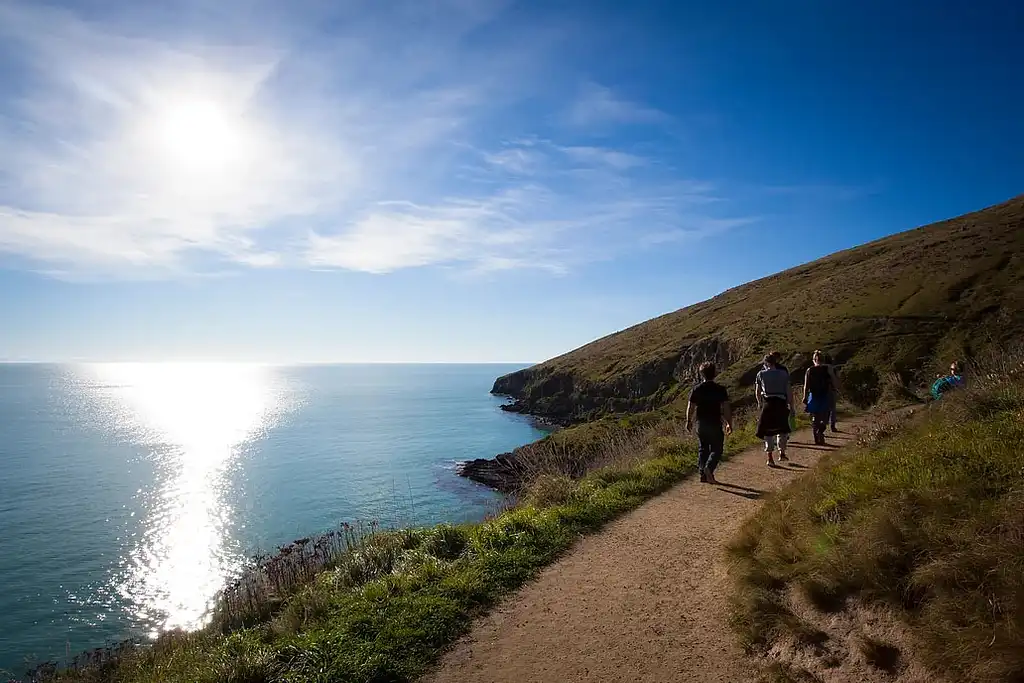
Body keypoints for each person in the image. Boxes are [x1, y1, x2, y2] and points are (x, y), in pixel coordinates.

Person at [686, 361, 733, 484]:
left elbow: (690, 407)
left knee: (703, 448)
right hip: (715, 422)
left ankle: (703, 474)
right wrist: (729, 423)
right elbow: (726, 408)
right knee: (717, 449)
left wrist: (688, 421)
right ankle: (709, 468)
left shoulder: (696, 389)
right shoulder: (720, 389)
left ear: (702, 374)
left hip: (701, 423)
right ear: (715, 373)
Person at [755, 352, 793, 466]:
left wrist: (759, 403)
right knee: (782, 430)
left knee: (768, 431)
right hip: (781, 402)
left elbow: (757, 392)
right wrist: (791, 405)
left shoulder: (761, 374)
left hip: (768, 403)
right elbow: (789, 392)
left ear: (766, 363)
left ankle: (770, 457)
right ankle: (782, 452)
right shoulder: (783, 374)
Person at [803, 350, 835, 445]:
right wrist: (836, 388)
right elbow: (833, 380)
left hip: (813, 395)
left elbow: (806, 385)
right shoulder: (827, 368)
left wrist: (804, 396)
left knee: (815, 416)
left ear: (814, 360)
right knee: (826, 415)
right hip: (825, 394)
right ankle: (820, 431)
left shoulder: (809, 370)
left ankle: (816, 437)